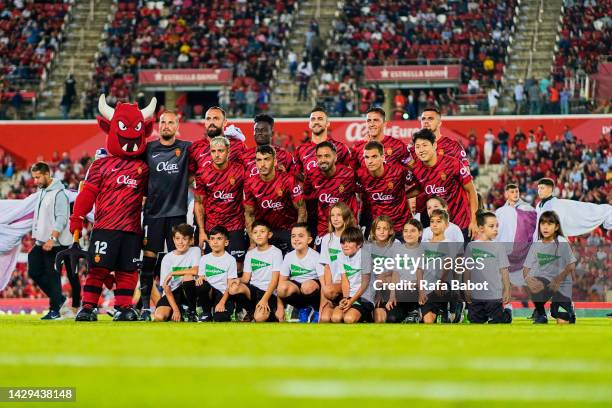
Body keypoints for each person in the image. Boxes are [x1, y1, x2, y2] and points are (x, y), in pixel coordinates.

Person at [70, 95, 156, 321]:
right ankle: (88, 307)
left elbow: (153, 193)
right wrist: (77, 217)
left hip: (131, 230)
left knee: (127, 271)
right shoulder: (100, 165)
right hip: (105, 227)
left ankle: (124, 307)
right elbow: (87, 193)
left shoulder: (143, 168)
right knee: (98, 269)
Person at [140, 110, 192, 321]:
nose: (166, 126)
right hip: (153, 214)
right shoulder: (148, 149)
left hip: (177, 214)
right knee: (149, 260)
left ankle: (180, 306)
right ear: (158, 125)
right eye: (163, 122)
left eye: (171, 122)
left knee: (178, 260)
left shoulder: (186, 148)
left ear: (177, 126)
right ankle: (144, 307)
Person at [406, 106, 472, 227]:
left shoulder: (453, 146)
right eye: (423, 118)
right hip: (426, 213)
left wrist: (472, 214)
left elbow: (467, 182)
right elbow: (409, 180)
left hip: (455, 213)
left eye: (430, 118)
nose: (426, 121)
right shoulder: (412, 151)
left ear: (440, 122)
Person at [408, 129, 478, 241]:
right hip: (437, 229)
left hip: (461, 225)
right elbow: (420, 188)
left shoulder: (453, 164)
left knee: (463, 258)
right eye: (417, 147)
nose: (421, 150)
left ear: (434, 145)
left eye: (424, 145)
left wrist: (474, 220)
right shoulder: (417, 170)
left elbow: (471, 190)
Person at [295, 107, 351, 238]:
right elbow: (297, 174)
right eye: (313, 119)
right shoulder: (301, 150)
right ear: (309, 124)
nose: (316, 122)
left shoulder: (340, 148)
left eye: (320, 119)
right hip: (311, 207)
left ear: (328, 123)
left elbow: (349, 175)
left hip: (334, 208)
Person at [28, 162, 73, 320]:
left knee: (52, 275)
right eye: (34, 178)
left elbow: (61, 219)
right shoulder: (43, 191)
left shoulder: (59, 193)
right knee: (33, 269)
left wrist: (52, 238)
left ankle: (55, 309)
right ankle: (59, 299)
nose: (36, 181)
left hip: (55, 243)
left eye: (38, 177)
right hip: (41, 242)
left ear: (47, 174)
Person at [193, 136, 247, 267]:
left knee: (238, 266)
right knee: (212, 266)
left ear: (228, 151)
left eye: (221, 151)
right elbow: (199, 203)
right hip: (212, 227)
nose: (217, 155)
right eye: (213, 151)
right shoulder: (202, 174)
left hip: (236, 226)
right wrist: (201, 231)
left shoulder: (240, 170)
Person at [244, 145, 306, 254]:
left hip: (288, 231)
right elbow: (249, 214)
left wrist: (297, 237)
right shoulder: (250, 183)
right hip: (265, 233)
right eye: (259, 160)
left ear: (275, 161)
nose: (262, 164)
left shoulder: (289, 180)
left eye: (266, 159)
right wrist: (252, 243)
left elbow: (301, 209)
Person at [523, 211, 576, 324]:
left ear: (556, 227)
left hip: (561, 284)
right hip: (545, 283)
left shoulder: (561, 242)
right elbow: (526, 268)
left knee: (562, 319)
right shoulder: (536, 244)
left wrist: (558, 279)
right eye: (543, 224)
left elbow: (571, 265)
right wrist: (528, 280)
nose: (545, 227)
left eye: (550, 224)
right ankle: (541, 315)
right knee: (532, 283)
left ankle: (566, 308)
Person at [229, 221, 284, 322]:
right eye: (255, 232)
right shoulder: (250, 254)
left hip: (269, 293)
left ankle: (270, 314)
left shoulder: (276, 252)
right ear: (252, 236)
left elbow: (275, 280)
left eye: (262, 231)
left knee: (260, 318)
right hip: (254, 290)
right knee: (233, 288)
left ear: (269, 234)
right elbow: (246, 278)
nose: (258, 235)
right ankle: (250, 310)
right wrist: (237, 280)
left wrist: (264, 299)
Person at [304, 141, 358, 245]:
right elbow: (307, 195)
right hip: (324, 230)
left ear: (335, 157)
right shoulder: (312, 175)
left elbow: (363, 194)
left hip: (347, 230)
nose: (323, 160)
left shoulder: (349, 175)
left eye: (327, 156)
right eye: (319, 156)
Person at [465, 211, 512, 324]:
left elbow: (504, 270)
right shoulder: (471, 246)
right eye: (491, 226)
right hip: (477, 294)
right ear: (481, 229)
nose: (495, 229)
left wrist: (507, 289)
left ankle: (508, 313)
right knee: (475, 321)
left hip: (494, 295)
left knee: (497, 321)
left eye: (497, 226)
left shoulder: (499, 247)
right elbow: (467, 270)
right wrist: (467, 288)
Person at [356, 141, 411, 238]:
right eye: (366, 157)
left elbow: (419, 185)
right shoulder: (360, 175)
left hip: (401, 227)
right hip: (378, 229)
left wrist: (404, 196)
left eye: (374, 156)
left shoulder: (398, 171)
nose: (370, 161)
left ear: (383, 157)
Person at [420, 209, 461, 324]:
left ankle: (449, 308)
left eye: (438, 221)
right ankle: (442, 312)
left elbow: (448, 265)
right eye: (432, 221)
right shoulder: (424, 244)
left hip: (442, 286)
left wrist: (441, 282)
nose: (434, 224)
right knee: (428, 321)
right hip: (426, 287)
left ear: (446, 225)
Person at [153, 224, 201, 322]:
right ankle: (179, 311)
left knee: (188, 277)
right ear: (173, 240)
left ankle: (192, 311)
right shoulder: (167, 258)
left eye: (184, 239)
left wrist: (172, 273)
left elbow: (196, 270)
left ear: (191, 240)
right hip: (172, 293)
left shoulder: (195, 250)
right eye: (177, 238)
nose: (180, 242)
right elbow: (166, 287)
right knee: (159, 317)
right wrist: (175, 310)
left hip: (188, 291)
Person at [318, 203, 357, 323]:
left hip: (351, 286)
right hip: (333, 288)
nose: (335, 218)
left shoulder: (355, 236)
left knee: (338, 318)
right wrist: (325, 299)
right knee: (324, 318)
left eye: (339, 215)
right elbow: (327, 268)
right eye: (332, 215)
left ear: (346, 216)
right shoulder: (326, 239)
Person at [277, 223, 323, 322]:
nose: (296, 239)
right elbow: (281, 283)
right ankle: (302, 309)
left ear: (309, 240)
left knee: (307, 286)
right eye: (293, 236)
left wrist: (323, 305)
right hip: (298, 289)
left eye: (301, 236)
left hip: (313, 289)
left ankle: (316, 309)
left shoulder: (316, 256)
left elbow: (324, 284)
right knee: (282, 288)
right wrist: (280, 308)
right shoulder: (288, 256)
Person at [383, 219, 425, 323]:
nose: (408, 234)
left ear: (420, 233)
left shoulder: (424, 250)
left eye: (412, 231)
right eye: (405, 231)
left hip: (418, 292)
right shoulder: (397, 250)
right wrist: (392, 296)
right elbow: (395, 274)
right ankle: (409, 314)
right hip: (400, 292)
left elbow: (423, 276)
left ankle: (416, 310)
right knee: (391, 319)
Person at [195, 225, 239, 322]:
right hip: (210, 292)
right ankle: (206, 312)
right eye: (212, 239)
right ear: (209, 242)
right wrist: (199, 278)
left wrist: (222, 303)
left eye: (219, 239)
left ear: (226, 242)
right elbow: (202, 278)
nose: (215, 242)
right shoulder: (204, 259)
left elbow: (230, 284)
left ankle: (226, 309)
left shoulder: (231, 260)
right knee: (200, 283)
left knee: (220, 319)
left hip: (223, 294)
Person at [330, 227, 373, 323]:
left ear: (359, 244)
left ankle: (367, 319)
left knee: (349, 319)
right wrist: (345, 298)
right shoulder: (340, 256)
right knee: (335, 318)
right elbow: (345, 280)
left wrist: (351, 301)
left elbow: (365, 284)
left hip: (365, 297)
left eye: (349, 242)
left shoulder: (365, 256)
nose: (345, 245)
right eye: (343, 242)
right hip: (350, 296)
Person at [188, 106, 246, 176]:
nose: (211, 122)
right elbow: (190, 177)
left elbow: (248, 173)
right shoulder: (195, 147)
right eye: (208, 119)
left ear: (225, 122)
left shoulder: (238, 145)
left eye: (216, 118)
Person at [367, 216, 398, 323]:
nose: (381, 231)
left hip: (392, 288)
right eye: (378, 228)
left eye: (385, 228)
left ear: (390, 231)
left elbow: (396, 272)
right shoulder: (369, 246)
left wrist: (392, 295)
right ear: (374, 231)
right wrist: (377, 293)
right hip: (375, 288)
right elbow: (369, 274)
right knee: (379, 318)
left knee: (391, 319)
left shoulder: (396, 244)